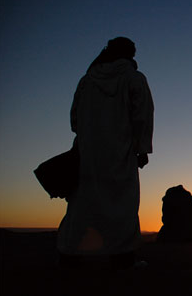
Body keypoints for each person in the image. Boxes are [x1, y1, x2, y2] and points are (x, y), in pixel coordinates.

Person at [57, 37, 154, 269]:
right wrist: (141, 149)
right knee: (123, 203)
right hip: (121, 153)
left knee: (84, 203)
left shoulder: (87, 81)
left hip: (88, 153)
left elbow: (74, 120)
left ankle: (71, 254)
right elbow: (142, 116)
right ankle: (122, 258)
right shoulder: (134, 79)